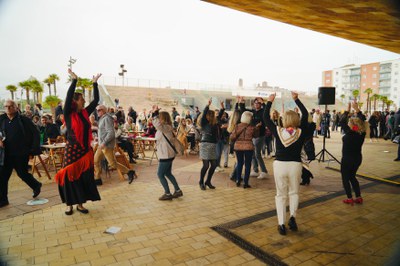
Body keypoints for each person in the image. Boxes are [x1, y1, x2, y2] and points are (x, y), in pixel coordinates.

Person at [54, 69, 101, 215]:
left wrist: (94, 83)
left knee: (83, 176)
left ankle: (80, 204)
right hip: (72, 149)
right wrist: (74, 80)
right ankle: (69, 204)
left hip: (84, 150)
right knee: (69, 176)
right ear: (75, 101)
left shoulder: (85, 112)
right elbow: (68, 97)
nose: (84, 101)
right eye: (82, 99)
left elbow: (96, 100)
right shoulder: (68, 113)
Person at [264, 91, 308, 235]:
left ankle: (281, 224)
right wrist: (296, 100)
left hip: (280, 165)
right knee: (294, 192)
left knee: (280, 195)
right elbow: (306, 114)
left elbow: (265, 118)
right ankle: (293, 218)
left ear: (284, 120)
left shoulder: (278, 131)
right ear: (296, 120)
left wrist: (270, 101)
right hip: (295, 165)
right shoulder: (301, 132)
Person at [0, 100, 42, 208]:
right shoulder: (1, 120)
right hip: (6, 154)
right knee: (3, 177)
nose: (8, 108)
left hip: (21, 153)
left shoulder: (24, 120)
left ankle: (36, 185)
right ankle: (3, 200)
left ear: (16, 107)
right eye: (6, 106)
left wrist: (33, 150)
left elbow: (36, 133)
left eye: (10, 106)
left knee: (22, 173)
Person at [94, 105, 136, 185]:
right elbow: (104, 132)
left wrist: (103, 142)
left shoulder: (107, 119)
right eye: (97, 110)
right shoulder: (102, 118)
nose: (97, 112)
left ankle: (130, 172)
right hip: (102, 145)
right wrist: (98, 138)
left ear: (103, 110)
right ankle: (97, 178)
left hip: (106, 146)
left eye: (99, 110)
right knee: (96, 161)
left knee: (113, 164)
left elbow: (111, 133)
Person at [151, 106, 183, 200]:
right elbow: (156, 125)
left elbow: (156, 124)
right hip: (167, 154)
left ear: (163, 118)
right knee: (168, 173)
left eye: (159, 117)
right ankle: (177, 190)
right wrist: (155, 114)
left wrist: (155, 113)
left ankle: (167, 193)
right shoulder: (165, 127)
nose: (158, 119)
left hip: (166, 155)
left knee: (160, 174)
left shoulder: (165, 127)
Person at [339, 100, 366, 204]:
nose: (348, 123)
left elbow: (341, 122)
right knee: (352, 177)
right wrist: (356, 109)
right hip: (357, 159)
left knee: (345, 178)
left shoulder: (349, 132)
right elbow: (362, 120)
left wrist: (347, 110)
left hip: (347, 160)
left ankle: (349, 198)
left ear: (352, 125)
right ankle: (358, 196)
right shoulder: (361, 133)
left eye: (350, 122)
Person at [238, 97, 269, 179]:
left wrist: (263, 103)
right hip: (253, 135)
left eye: (258, 103)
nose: (256, 104)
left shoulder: (263, 112)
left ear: (261, 104)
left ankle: (264, 171)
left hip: (260, 135)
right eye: (255, 103)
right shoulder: (253, 112)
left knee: (257, 154)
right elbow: (244, 111)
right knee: (252, 154)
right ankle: (255, 170)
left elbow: (267, 111)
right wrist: (241, 102)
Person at [230, 111, 260, 188]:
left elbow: (232, 137)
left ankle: (237, 180)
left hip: (238, 147)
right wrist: (257, 128)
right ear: (249, 118)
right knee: (247, 165)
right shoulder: (252, 127)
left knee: (239, 163)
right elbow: (256, 136)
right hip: (248, 147)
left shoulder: (237, 126)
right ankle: (245, 183)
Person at [198, 98, 219, 190]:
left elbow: (220, 115)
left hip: (213, 145)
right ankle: (201, 181)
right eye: (209, 114)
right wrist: (208, 105)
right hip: (205, 144)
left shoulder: (214, 124)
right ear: (206, 115)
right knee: (206, 165)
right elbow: (203, 116)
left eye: (212, 114)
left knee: (214, 165)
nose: (211, 116)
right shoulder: (203, 122)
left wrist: (222, 108)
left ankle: (208, 181)